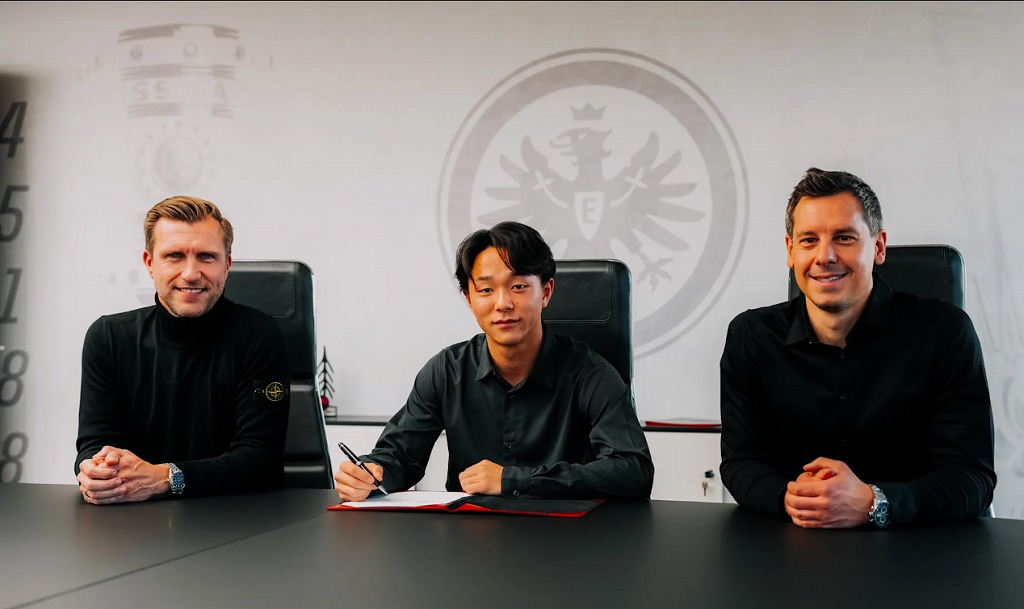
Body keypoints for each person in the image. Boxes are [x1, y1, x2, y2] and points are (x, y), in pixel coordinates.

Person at [720, 167, 995, 528]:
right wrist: (791, 498)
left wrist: (873, 502)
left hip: (919, 545)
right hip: (795, 542)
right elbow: (741, 463)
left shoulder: (945, 333)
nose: (824, 256)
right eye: (808, 240)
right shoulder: (751, 338)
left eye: (844, 238)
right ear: (790, 251)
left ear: (878, 247)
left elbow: (971, 478)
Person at [334, 221, 654, 502]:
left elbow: (633, 471)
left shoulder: (591, 374)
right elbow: (400, 456)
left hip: (566, 538)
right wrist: (370, 474)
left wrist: (512, 480)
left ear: (546, 292)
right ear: (469, 299)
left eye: (518, 286)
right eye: (486, 289)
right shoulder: (446, 371)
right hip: (469, 539)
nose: (502, 303)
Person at [75, 196, 290, 504]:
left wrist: (164, 477)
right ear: (150, 263)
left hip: (238, 517)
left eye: (206, 257)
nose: (191, 273)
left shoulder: (259, 336)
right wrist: (97, 470)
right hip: (132, 519)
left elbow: (261, 459)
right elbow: (95, 443)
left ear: (227, 265)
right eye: (174, 255)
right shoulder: (108, 338)